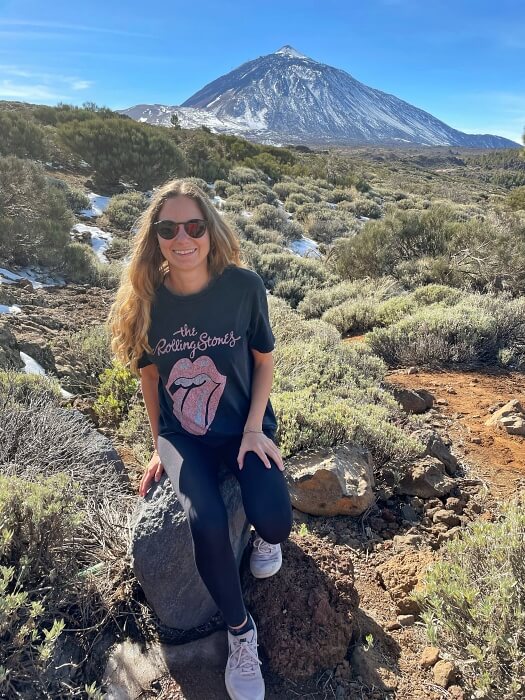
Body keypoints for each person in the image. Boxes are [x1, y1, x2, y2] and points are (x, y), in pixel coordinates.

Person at [109, 179, 293, 700]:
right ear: (156, 237)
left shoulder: (243, 287)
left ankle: (261, 534)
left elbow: (263, 362)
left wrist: (255, 428)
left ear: (210, 230)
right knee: (206, 519)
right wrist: (159, 446)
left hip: (241, 427)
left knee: (275, 521)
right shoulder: (148, 300)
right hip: (182, 435)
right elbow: (150, 379)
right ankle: (240, 632)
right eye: (168, 229)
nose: (182, 238)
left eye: (193, 226)